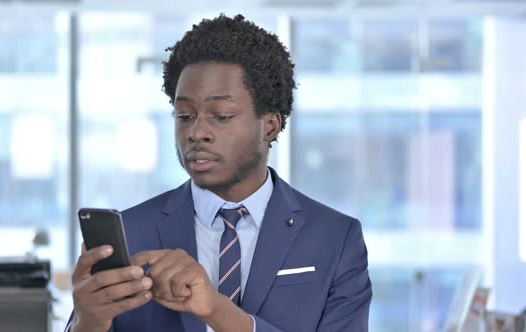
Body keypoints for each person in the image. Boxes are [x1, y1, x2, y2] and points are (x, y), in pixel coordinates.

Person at [66, 14, 372, 332]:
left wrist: (215, 309)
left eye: (222, 116)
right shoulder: (130, 234)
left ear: (269, 125)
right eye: (184, 115)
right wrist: (88, 322)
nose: (197, 132)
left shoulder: (334, 238)